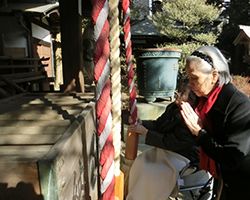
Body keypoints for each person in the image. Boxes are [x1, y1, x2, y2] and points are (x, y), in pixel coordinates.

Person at [180, 46, 250, 200]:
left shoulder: (239, 105)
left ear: (214, 75)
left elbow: (232, 157)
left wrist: (200, 133)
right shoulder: (204, 102)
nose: (190, 84)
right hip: (223, 180)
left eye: (194, 78)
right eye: (188, 77)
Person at [126, 85, 202, 200]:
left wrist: (146, 133)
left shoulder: (192, 118)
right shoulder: (173, 107)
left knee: (152, 173)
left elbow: (174, 142)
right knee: (140, 161)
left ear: (191, 99)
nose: (178, 93)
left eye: (182, 93)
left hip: (182, 156)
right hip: (165, 150)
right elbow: (159, 125)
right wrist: (141, 123)